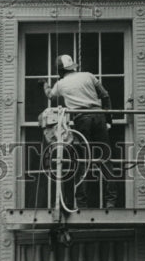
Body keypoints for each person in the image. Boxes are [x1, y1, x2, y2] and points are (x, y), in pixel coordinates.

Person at [42, 54, 118, 209]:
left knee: (81, 160)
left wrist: (44, 84)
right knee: (105, 158)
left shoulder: (61, 83)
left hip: (82, 119)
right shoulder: (88, 76)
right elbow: (105, 95)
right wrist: (108, 119)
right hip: (99, 116)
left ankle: (82, 203)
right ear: (73, 67)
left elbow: (50, 95)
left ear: (60, 70)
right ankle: (111, 201)